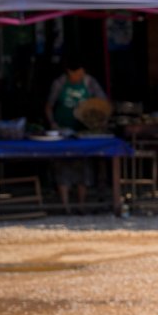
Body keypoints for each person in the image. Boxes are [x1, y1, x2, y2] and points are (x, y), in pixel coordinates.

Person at [44, 54, 107, 213]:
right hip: (62, 130)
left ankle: (81, 205)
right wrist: (53, 123)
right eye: (74, 74)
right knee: (62, 167)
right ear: (68, 72)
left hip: (83, 131)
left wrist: (96, 119)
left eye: (80, 73)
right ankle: (65, 206)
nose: (77, 77)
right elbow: (49, 106)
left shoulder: (89, 82)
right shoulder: (59, 83)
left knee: (83, 169)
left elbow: (103, 103)